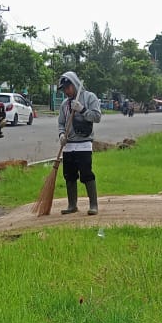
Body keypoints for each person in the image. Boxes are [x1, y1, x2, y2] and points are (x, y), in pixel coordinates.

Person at [56, 71, 102, 215]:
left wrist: (82, 109)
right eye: (64, 89)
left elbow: (97, 117)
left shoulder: (89, 97)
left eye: (68, 88)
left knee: (86, 174)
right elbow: (61, 123)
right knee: (69, 176)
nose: (66, 92)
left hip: (84, 144)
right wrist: (62, 135)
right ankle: (72, 205)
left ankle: (93, 205)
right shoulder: (64, 104)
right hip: (68, 146)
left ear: (74, 84)